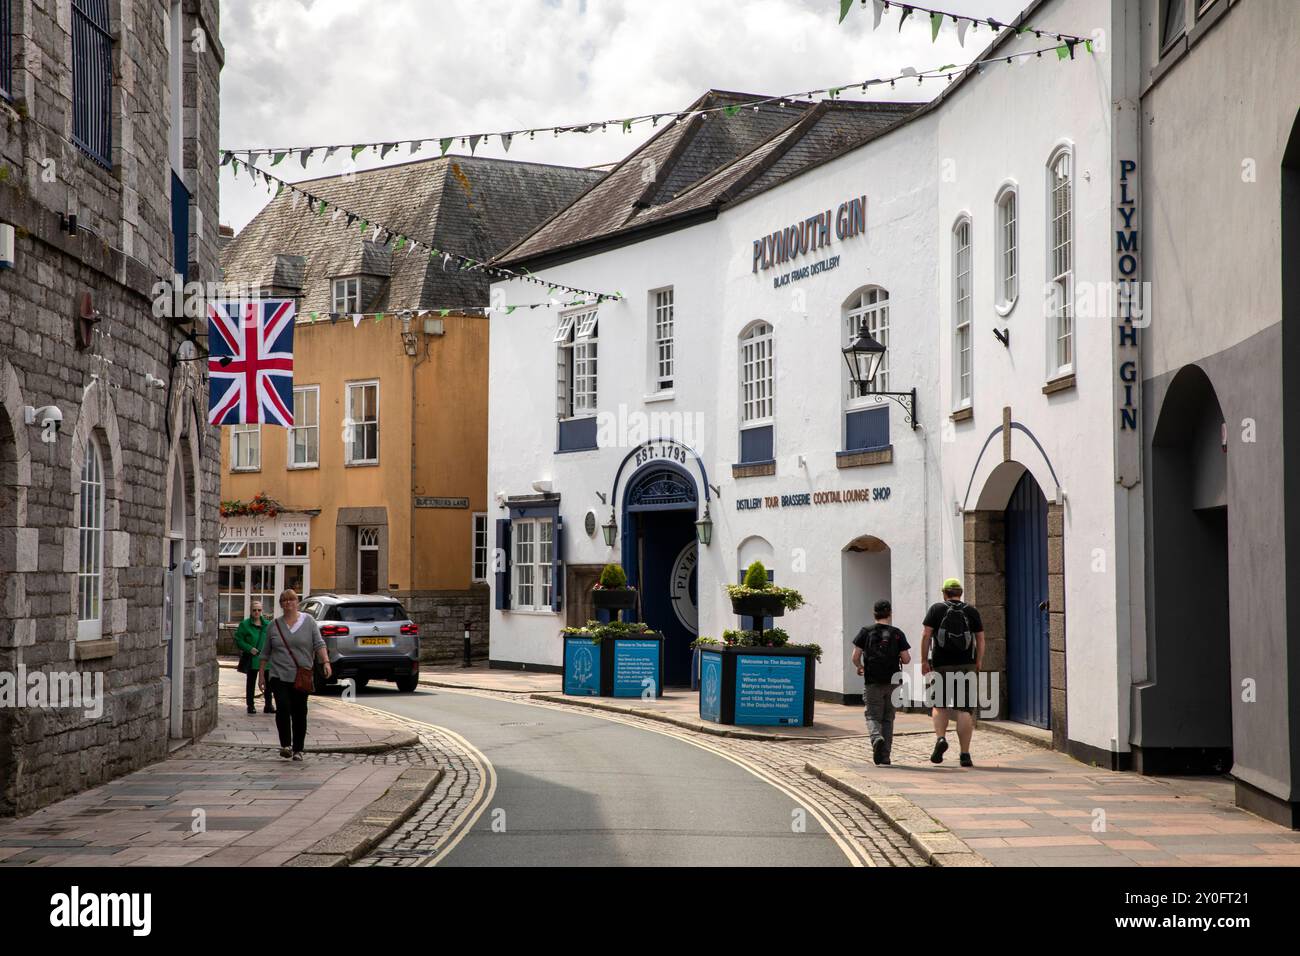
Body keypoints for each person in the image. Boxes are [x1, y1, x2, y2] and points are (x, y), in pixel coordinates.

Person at [258, 589, 331, 761]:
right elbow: (265, 653)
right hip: (278, 675)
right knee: (282, 707)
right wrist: (262, 675)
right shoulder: (273, 626)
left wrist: (325, 662)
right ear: (281, 604)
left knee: (300, 711)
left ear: (297, 602)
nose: (287, 603)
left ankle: (298, 748)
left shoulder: (309, 621)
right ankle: (286, 745)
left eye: (291, 600)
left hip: (301, 676)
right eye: (284, 600)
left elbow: (319, 644)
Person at [920, 578, 985, 768]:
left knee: (939, 705)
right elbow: (980, 639)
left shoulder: (936, 609)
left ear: (945, 593)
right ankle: (965, 754)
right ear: (960, 593)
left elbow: (926, 635)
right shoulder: (971, 611)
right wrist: (978, 660)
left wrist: (925, 660)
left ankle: (941, 738)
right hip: (966, 664)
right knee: (964, 709)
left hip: (941, 664)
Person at [851, 599, 911, 766]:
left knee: (872, 715)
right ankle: (885, 757)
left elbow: (855, 657)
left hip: (872, 680)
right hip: (893, 681)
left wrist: (860, 667)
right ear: (890, 613)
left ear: (874, 613)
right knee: (888, 718)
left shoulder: (866, 631)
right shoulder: (897, 633)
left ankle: (876, 737)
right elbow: (906, 659)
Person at [233, 601, 274, 715]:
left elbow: (272, 638)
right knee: (251, 683)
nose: (257, 612)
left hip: (265, 658)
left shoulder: (268, 624)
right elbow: (238, 640)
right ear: (251, 611)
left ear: (262, 611)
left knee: (268, 683)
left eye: (259, 610)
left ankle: (268, 704)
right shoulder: (244, 624)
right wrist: (249, 648)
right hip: (252, 658)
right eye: (254, 610)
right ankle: (250, 705)